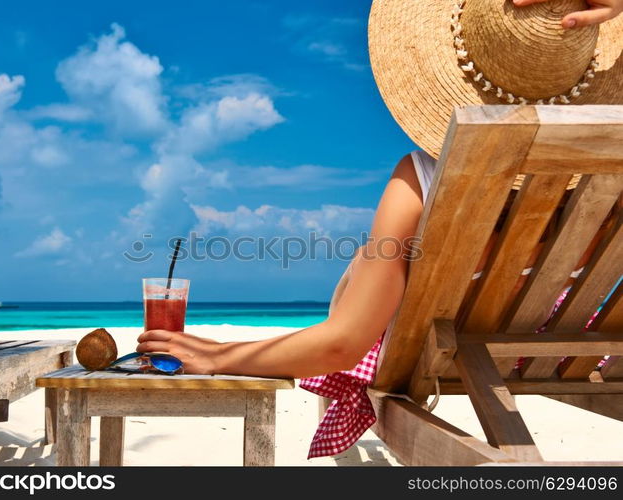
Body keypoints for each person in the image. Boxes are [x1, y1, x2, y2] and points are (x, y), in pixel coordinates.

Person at [137, 0, 623, 458]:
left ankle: (332, 405)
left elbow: (343, 343)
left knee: (369, 260)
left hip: (439, 353)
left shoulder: (422, 179)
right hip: (559, 350)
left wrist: (221, 356)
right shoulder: (612, 184)